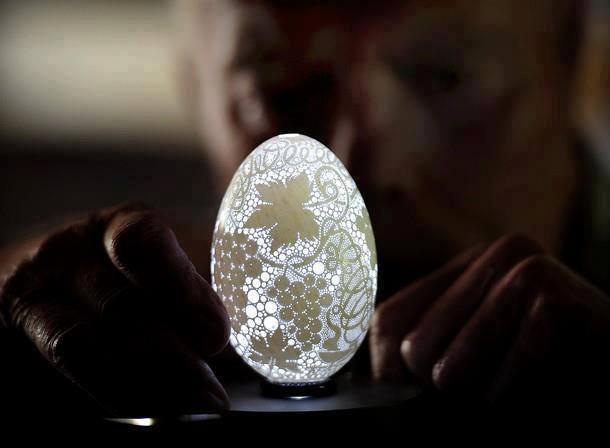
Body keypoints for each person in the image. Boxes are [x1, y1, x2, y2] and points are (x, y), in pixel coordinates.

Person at [1, 0, 608, 419]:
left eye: (445, 77)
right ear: (193, 87)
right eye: (279, 88)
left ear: (572, 62)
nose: (355, 166)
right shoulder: (163, 322)